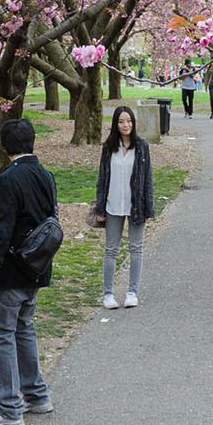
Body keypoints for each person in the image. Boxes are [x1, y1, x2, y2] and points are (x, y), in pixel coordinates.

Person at [0, 117, 57, 425]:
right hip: (38, 266)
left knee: (1, 333)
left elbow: (3, 231)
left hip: (12, 270)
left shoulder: (10, 177)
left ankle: (9, 408)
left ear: (5, 146)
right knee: (23, 328)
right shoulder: (45, 174)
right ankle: (37, 395)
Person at [92, 104, 154, 309]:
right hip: (112, 205)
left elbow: (147, 180)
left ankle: (132, 292)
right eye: (121, 121)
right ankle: (108, 294)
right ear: (115, 124)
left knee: (136, 249)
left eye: (129, 121)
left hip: (136, 205)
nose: (125, 125)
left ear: (134, 123)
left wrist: (149, 209)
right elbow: (102, 179)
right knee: (111, 250)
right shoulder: (108, 147)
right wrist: (100, 208)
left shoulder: (142, 146)